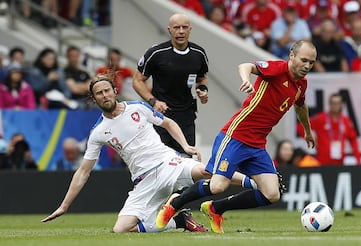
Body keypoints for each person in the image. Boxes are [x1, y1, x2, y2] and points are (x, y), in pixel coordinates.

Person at [42, 74, 258, 233]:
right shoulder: (98, 132)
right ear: (94, 98)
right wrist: (64, 206)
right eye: (99, 93)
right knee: (121, 230)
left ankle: (256, 183)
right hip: (143, 181)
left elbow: (168, 123)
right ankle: (180, 221)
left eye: (107, 90)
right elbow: (83, 172)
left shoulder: (137, 108)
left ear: (114, 91)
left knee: (206, 171)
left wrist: (185, 146)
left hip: (167, 162)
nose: (104, 95)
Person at [155, 40, 316, 233]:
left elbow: (300, 105)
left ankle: (216, 209)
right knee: (217, 186)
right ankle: (175, 203)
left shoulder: (300, 85)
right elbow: (245, 66)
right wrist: (246, 80)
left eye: (311, 63)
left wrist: (307, 131)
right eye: (304, 60)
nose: (307, 66)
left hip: (257, 145)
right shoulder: (277, 69)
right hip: (235, 136)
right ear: (292, 55)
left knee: (272, 194)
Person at [133, 13, 209, 157]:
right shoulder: (156, 53)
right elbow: (137, 81)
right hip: (161, 115)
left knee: (186, 159)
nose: (181, 31)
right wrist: (153, 101)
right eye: (176, 27)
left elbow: (202, 78)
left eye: (184, 27)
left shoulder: (199, 53)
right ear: (169, 30)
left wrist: (203, 91)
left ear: (190, 30)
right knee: (161, 159)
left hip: (186, 115)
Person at [297, 93, 361, 165]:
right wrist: (312, 139)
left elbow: (354, 141)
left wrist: (359, 160)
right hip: (322, 161)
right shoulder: (320, 118)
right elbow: (300, 127)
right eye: (333, 103)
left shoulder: (346, 121)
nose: (335, 106)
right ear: (330, 104)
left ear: (341, 105)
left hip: (340, 162)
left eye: (338, 103)